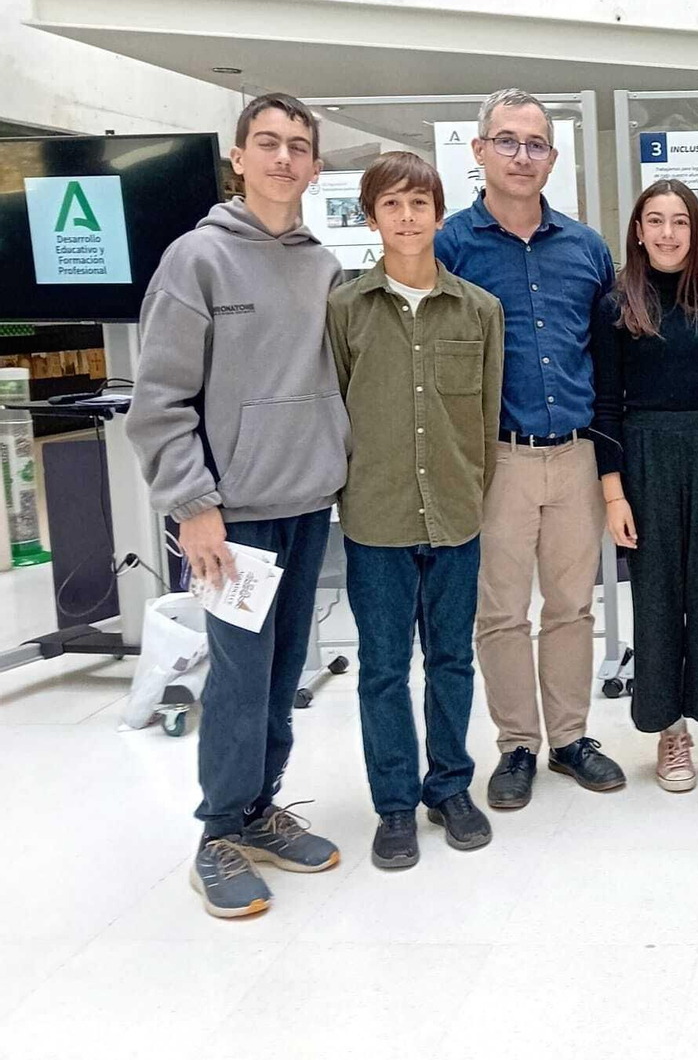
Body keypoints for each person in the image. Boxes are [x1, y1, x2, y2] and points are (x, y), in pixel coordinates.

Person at [128, 93, 348, 918]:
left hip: (305, 504)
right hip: (233, 519)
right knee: (238, 681)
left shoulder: (322, 265)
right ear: (239, 157)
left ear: (315, 166)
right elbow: (159, 402)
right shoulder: (197, 261)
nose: (284, 158)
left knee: (285, 671)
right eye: (268, 143)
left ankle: (260, 808)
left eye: (298, 146)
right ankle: (218, 832)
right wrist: (194, 506)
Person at [435, 89, 624, 806]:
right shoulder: (450, 246)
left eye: (535, 143)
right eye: (506, 141)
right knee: (503, 612)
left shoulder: (588, 249)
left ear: (553, 157)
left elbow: (607, 361)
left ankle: (571, 739)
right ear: (479, 151)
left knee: (572, 607)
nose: (522, 156)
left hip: (574, 457)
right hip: (498, 462)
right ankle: (517, 745)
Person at [326, 153, 505, 869]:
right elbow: (335, 410)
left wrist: (469, 490)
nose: (407, 218)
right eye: (392, 205)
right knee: (381, 667)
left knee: (454, 658)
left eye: (419, 204)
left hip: (457, 514)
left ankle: (450, 787)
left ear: (439, 213)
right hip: (376, 517)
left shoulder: (479, 309)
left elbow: (486, 418)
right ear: (372, 218)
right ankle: (395, 804)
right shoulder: (344, 311)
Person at [591, 180, 698, 795]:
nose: (667, 233)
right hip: (644, 459)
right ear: (638, 231)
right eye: (655, 221)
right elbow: (605, 404)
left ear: (696, 232)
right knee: (657, 596)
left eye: (680, 222)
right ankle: (670, 734)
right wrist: (613, 493)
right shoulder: (615, 306)